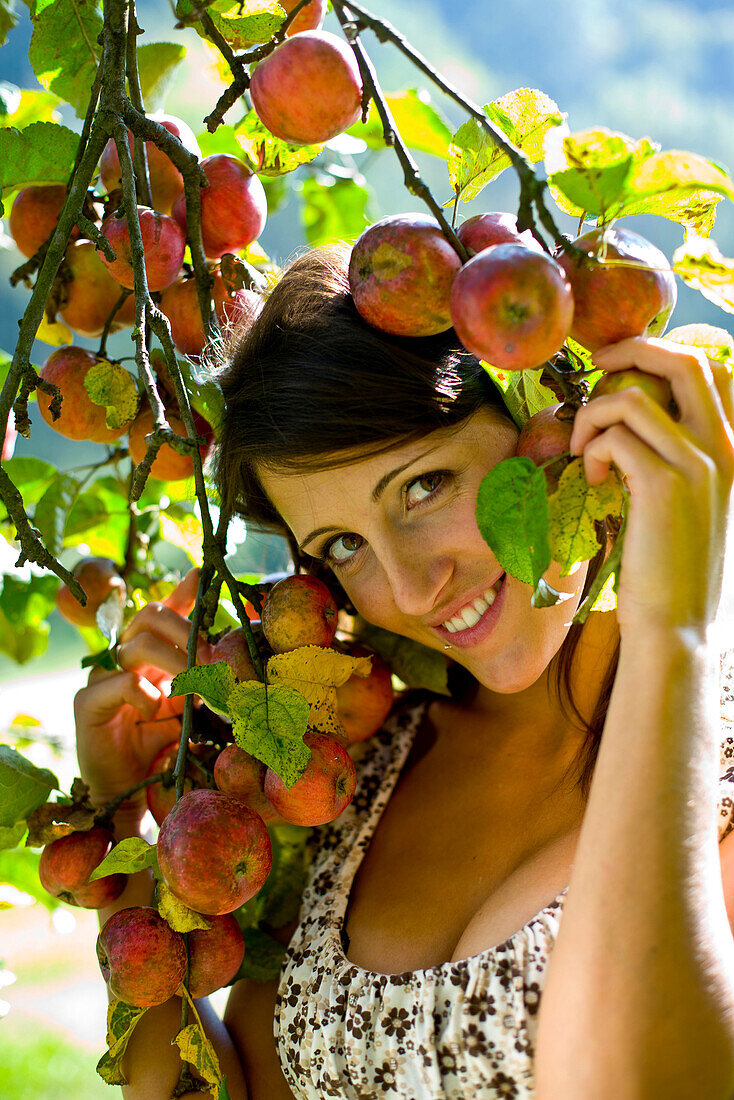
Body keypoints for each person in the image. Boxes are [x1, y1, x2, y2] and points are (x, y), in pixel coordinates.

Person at [74, 243, 734, 1099]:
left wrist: (670, 635)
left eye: (423, 487)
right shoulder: (365, 769)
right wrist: (127, 842)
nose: (413, 590)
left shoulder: (713, 756)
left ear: (552, 413)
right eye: (344, 546)